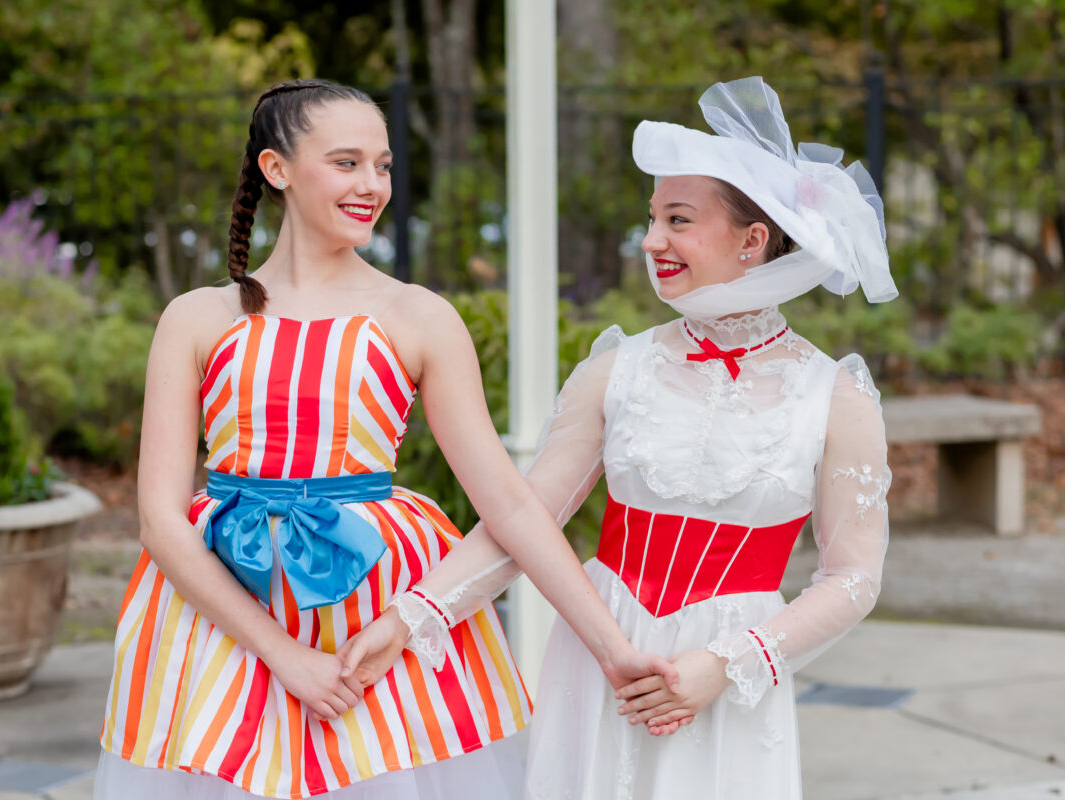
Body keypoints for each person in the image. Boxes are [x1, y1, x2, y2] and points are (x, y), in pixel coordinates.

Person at [95, 78, 675, 800]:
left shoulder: (417, 316)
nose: (372, 184)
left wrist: (614, 651)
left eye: (384, 165)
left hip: (372, 616)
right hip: (221, 623)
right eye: (346, 163)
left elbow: (512, 507)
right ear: (277, 170)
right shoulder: (197, 317)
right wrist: (286, 658)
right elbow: (159, 521)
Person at [340, 76, 895, 799]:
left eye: (678, 220)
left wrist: (727, 664)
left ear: (753, 240)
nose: (653, 240)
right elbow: (522, 520)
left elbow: (854, 576)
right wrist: (410, 618)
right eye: (652, 218)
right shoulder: (617, 369)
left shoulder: (836, 396)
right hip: (600, 653)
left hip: (730, 675)